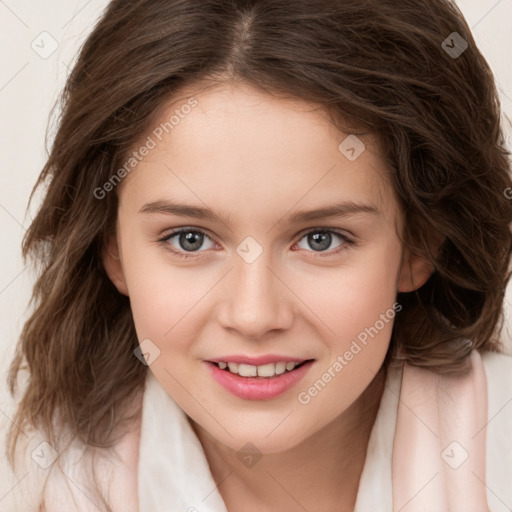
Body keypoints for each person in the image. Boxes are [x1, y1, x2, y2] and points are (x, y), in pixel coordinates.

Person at [3, 0, 512, 510]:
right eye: (190, 239)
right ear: (111, 249)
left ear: (419, 245)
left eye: (320, 239)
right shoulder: (34, 480)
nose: (253, 316)